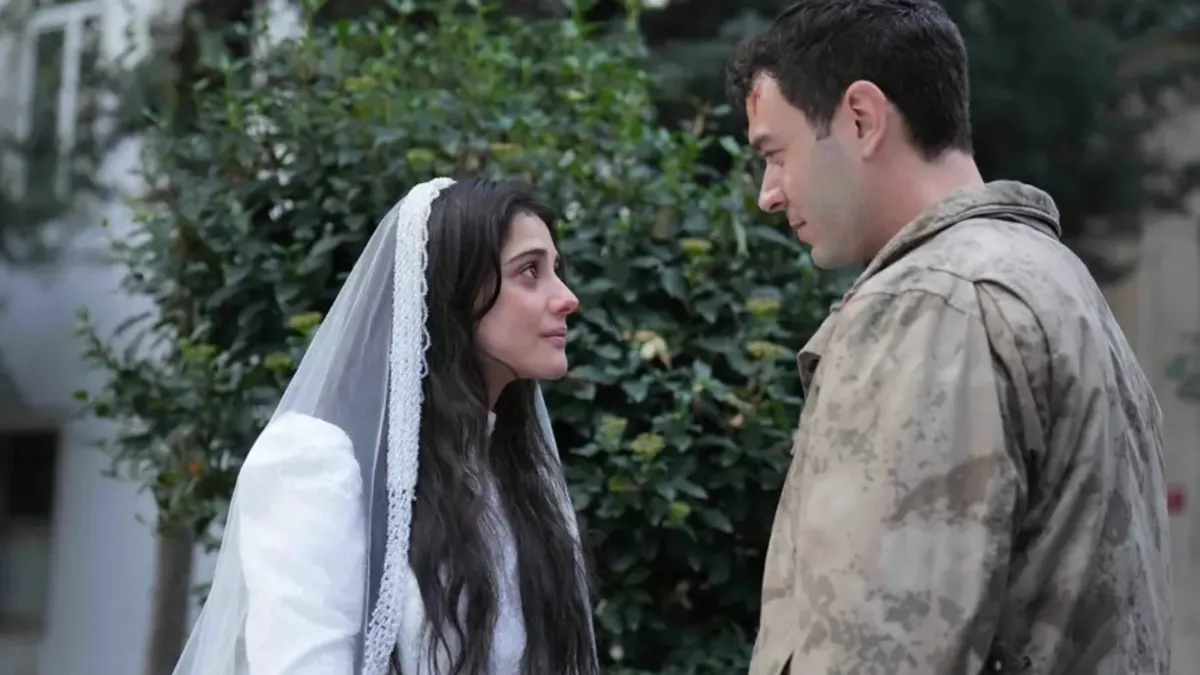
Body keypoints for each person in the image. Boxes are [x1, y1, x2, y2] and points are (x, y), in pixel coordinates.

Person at [724, 1, 1172, 674]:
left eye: (775, 154)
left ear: (861, 118)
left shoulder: (929, 303)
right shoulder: (1059, 282)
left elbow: (885, 647)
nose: (769, 193)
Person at [168, 176, 600, 675]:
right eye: (529, 271)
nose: (567, 297)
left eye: (556, 270)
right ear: (456, 291)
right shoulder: (315, 464)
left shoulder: (518, 478)